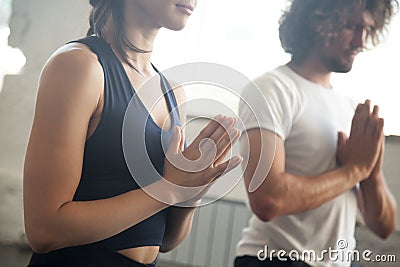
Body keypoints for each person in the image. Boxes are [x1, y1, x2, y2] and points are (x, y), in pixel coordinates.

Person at [23, 0, 242, 266]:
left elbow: (167, 240)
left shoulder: (171, 92)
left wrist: (191, 190)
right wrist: (169, 190)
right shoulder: (79, 65)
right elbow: (45, 231)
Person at [236, 0, 398, 266]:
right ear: (317, 20)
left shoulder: (349, 107)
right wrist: (355, 171)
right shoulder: (271, 89)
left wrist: (372, 171)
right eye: (351, 26)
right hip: (275, 259)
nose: (361, 40)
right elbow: (268, 200)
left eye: (367, 29)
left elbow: (384, 227)